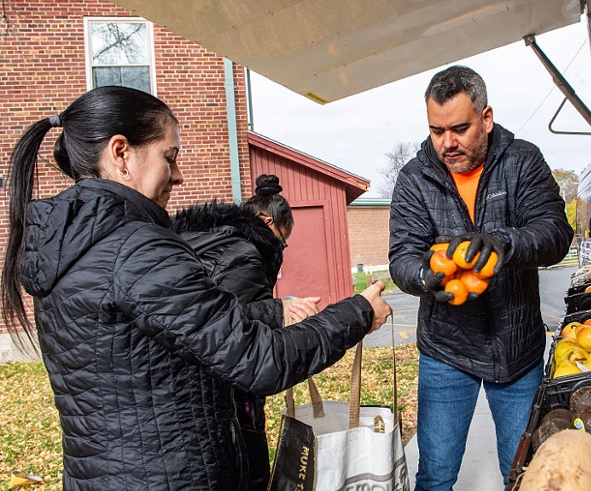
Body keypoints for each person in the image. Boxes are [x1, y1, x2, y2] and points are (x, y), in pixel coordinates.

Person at [0, 86, 392, 491]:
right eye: (169, 157)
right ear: (121, 154)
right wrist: (358, 312)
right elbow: (261, 361)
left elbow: (169, 330)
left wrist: (274, 312)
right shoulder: (136, 249)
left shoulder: (67, 244)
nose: (179, 174)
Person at [388, 65, 573, 489]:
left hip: (517, 348)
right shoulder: (415, 178)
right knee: (434, 475)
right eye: (436, 131)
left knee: (522, 473)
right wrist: (423, 275)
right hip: (446, 350)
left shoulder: (522, 159)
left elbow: (555, 233)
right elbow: (403, 256)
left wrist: (504, 244)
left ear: (486, 118)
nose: (447, 143)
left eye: (459, 128)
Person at [170, 174, 319, 490]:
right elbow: (242, 338)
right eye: (282, 239)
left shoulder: (199, 239)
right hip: (231, 404)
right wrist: (279, 312)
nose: (281, 249)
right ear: (267, 222)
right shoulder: (244, 254)